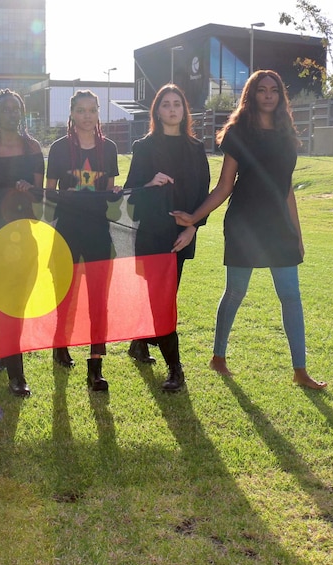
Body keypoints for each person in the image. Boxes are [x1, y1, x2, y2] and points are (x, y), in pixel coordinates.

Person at [170, 70, 327, 390]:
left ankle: (300, 370)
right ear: (252, 95)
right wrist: (194, 217)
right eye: (261, 90)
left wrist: (297, 235)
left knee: (291, 295)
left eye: (274, 90)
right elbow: (225, 185)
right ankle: (218, 357)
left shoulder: (287, 134)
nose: (268, 95)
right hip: (244, 224)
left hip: (279, 226)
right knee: (236, 292)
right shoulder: (239, 133)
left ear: (281, 96)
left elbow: (287, 189)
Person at [125, 84, 210, 392]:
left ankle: (139, 342)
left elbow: (204, 193)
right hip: (151, 234)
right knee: (160, 300)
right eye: (166, 104)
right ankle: (175, 369)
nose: (172, 109)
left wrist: (192, 228)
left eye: (177, 103)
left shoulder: (196, 148)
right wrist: (149, 181)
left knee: (164, 298)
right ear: (157, 112)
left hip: (181, 235)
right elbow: (130, 194)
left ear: (184, 110)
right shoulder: (144, 146)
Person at [45, 90, 120, 392]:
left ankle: (96, 366)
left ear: (98, 113)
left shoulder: (109, 148)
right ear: (72, 113)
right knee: (65, 294)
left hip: (98, 232)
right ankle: (60, 344)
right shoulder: (60, 148)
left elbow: (111, 192)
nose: (87, 116)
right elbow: (49, 191)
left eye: (92, 110)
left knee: (98, 299)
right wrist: (67, 196)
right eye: (81, 110)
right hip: (67, 231)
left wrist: (115, 195)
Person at [0, 89, 45, 398]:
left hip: (23, 230)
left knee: (17, 301)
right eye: (6, 109)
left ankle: (13, 364)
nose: (12, 113)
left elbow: (42, 194)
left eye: (17, 108)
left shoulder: (33, 148)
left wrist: (30, 189)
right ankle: (10, 358)